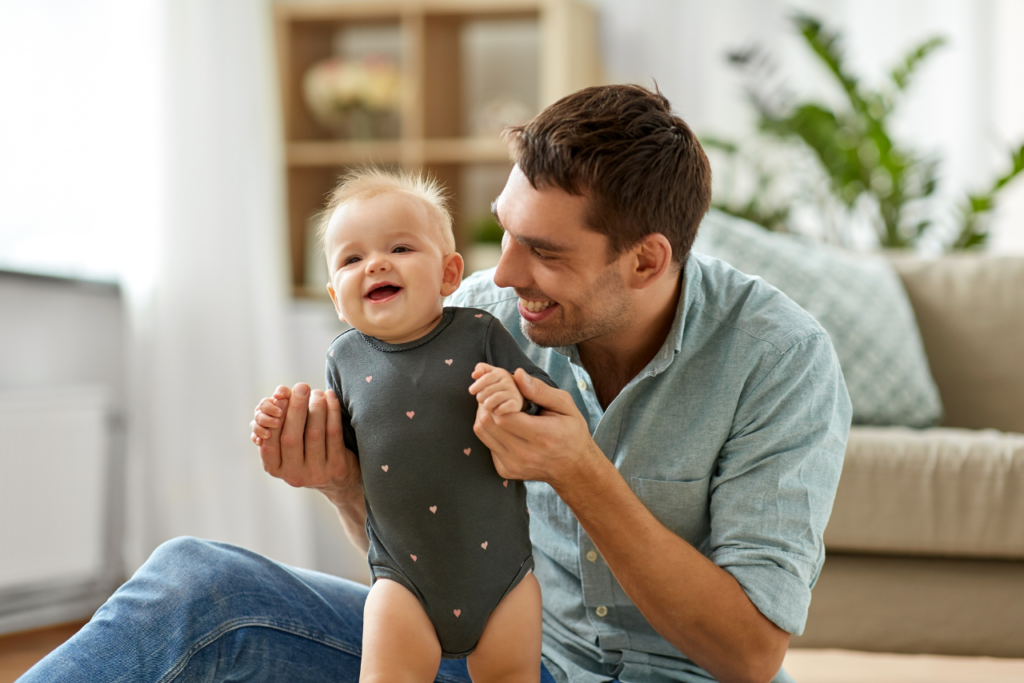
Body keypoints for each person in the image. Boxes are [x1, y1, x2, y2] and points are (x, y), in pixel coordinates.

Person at [21, 84, 850, 683]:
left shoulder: (779, 361)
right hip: (499, 659)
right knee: (198, 580)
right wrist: (350, 483)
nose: (502, 272)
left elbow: (750, 654)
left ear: (646, 261)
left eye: (547, 253)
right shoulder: (477, 316)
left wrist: (580, 470)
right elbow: (427, 558)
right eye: (506, 232)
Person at [263, 167, 553, 681]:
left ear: (448, 274)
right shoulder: (343, 358)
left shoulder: (480, 332)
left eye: (399, 249)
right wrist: (295, 428)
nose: (375, 264)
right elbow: (345, 455)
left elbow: (543, 408)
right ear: (336, 297)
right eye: (352, 258)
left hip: (501, 574)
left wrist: (513, 397)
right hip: (402, 577)